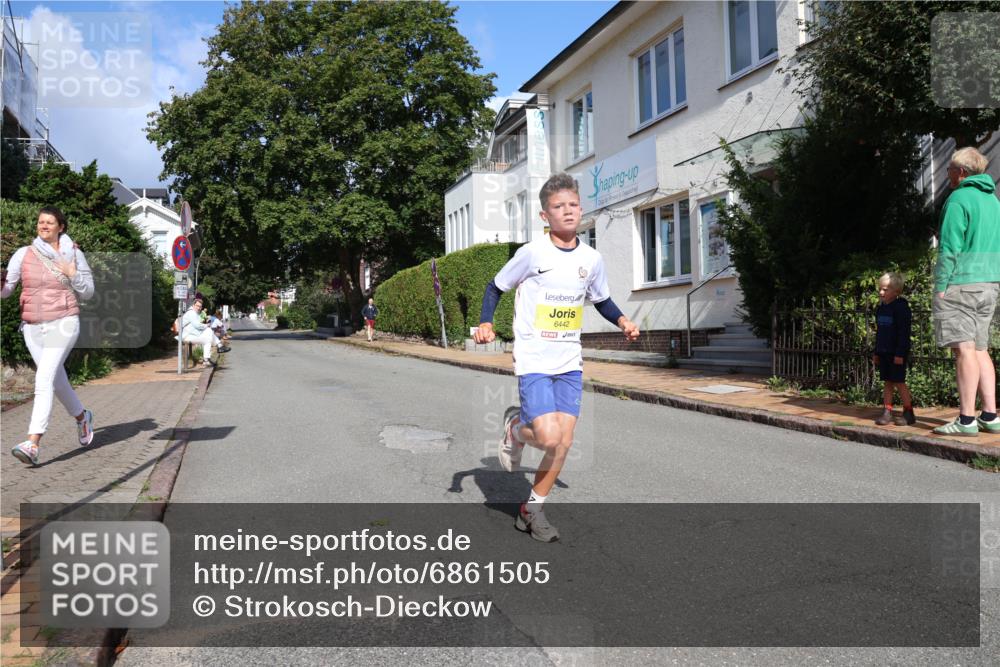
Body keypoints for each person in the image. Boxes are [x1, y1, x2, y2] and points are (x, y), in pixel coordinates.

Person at [474, 173, 640, 542]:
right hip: (534, 357)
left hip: (568, 360)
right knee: (548, 438)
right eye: (558, 206)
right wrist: (486, 321)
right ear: (544, 215)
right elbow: (495, 286)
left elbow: (601, 299)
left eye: (573, 205)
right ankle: (516, 429)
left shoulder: (591, 258)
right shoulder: (533, 253)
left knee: (562, 442)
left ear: (581, 209)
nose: (567, 211)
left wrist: (623, 320)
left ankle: (531, 511)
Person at [1, 206, 96, 466]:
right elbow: (7, 290)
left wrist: (72, 273)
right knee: (57, 381)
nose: (43, 226)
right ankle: (82, 417)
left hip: (64, 322)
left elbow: (88, 291)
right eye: (41, 222)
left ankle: (32, 443)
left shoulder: (74, 254)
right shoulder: (23, 254)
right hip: (32, 327)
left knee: (43, 378)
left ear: (60, 227)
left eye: (50, 222)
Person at [932, 147, 1000, 436]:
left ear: (962, 172)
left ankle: (966, 420)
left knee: (965, 351)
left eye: (949, 170)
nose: (947, 175)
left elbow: (949, 247)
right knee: (981, 349)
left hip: (961, 283)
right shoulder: (993, 200)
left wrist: (940, 286)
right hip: (990, 283)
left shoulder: (958, 199)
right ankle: (990, 414)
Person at [872, 272, 915, 426]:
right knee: (887, 382)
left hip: (897, 353)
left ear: (896, 292)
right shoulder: (881, 308)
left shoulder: (901, 309)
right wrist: (877, 352)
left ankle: (908, 412)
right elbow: (880, 332)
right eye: (880, 289)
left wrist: (900, 353)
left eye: (885, 289)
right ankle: (887, 411)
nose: (881, 292)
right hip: (884, 352)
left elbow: (904, 333)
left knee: (899, 381)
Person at [182, 299, 227, 366]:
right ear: (193, 305)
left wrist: (205, 323)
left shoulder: (195, 313)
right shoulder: (191, 313)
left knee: (208, 337)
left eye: (200, 306)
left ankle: (207, 359)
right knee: (208, 333)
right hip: (187, 335)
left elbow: (198, 324)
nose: (199, 308)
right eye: (197, 306)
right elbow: (197, 325)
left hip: (193, 334)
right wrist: (206, 325)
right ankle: (218, 346)